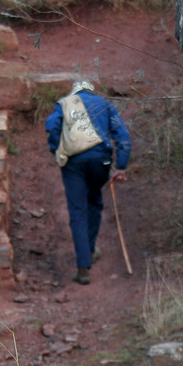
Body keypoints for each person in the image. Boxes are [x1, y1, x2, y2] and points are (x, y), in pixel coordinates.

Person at [45, 80, 130, 285]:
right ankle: (90, 250)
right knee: (94, 203)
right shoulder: (104, 104)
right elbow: (122, 135)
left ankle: (83, 267)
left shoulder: (64, 103)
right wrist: (121, 165)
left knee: (77, 211)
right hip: (100, 161)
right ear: (91, 90)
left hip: (74, 164)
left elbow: (52, 126)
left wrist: (56, 149)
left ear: (74, 92)